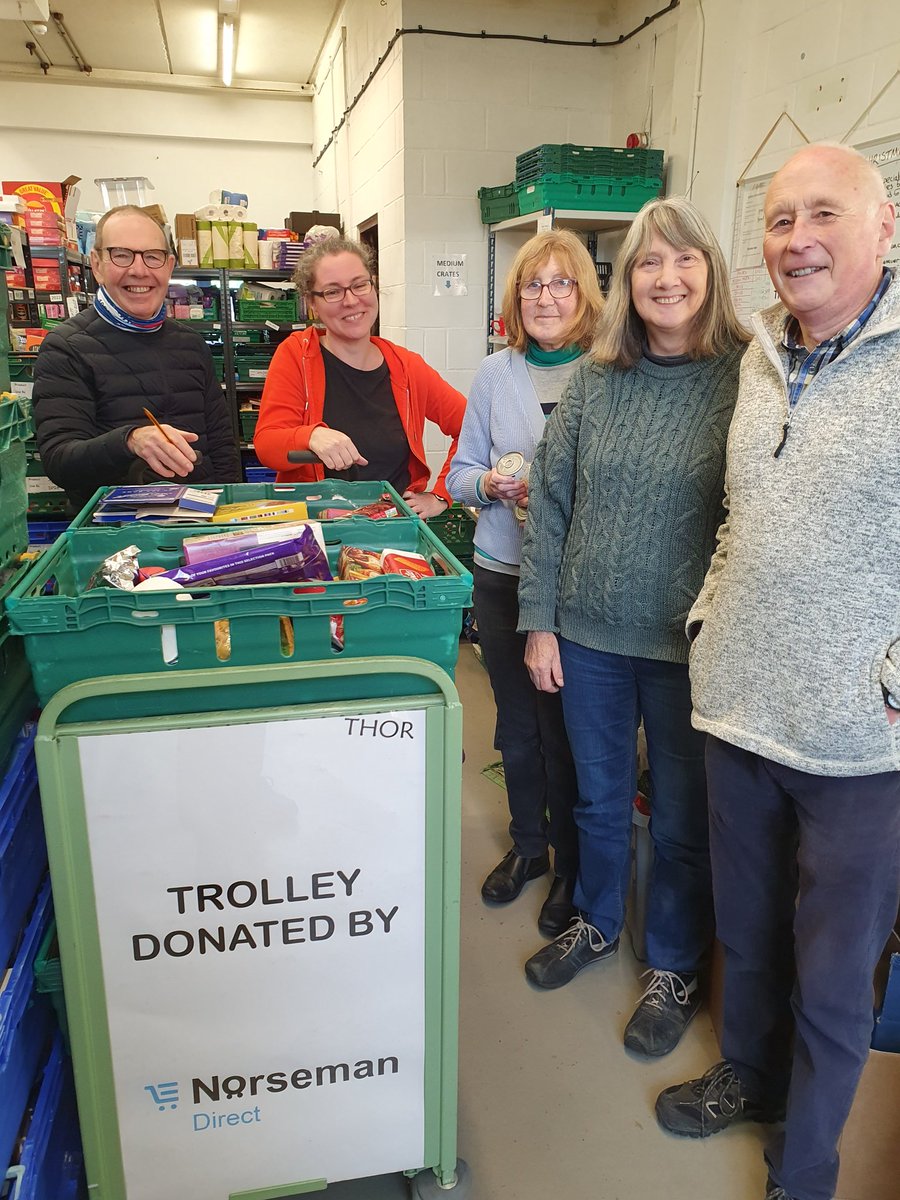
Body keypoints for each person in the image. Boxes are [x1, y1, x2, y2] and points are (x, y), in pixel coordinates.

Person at [655, 144, 900, 1200]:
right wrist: (710, 622)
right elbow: (740, 516)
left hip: (859, 741)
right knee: (747, 933)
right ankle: (747, 1078)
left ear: (884, 225)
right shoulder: (758, 356)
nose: (797, 239)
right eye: (779, 218)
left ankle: (805, 1168)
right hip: (740, 707)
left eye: (824, 214)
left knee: (834, 976)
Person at [517, 198, 749, 1058]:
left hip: (689, 650)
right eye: (649, 261)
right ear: (627, 282)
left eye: (684, 259)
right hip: (588, 638)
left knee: (683, 820)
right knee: (598, 801)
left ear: (710, 272)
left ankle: (675, 966)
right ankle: (597, 920)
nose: (666, 277)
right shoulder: (594, 379)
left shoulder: (746, 381)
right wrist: (539, 622)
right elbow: (550, 504)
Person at [447, 231, 604, 935]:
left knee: (568, 729)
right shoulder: (495, 374)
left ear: (584, 294)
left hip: (578, 586)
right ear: (515, 299)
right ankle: (529, 847)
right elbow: (458, 475)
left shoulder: (608, 370)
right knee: (516, 724)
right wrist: (488, 483)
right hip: (503, 572)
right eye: (532, 285)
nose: (546, 298)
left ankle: (570, 864)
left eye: (561, 283)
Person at [33, 204, 240, 514]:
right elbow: (59, 461)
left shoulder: (191, 344)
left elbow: (222, 445)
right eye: (122, 255)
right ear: (97, 264)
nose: (139, 270)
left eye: (152, 256)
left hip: (199, 520)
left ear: (169, 266)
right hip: (117, 529)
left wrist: (232, 514)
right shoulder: (66, 347)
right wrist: (129, 441)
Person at [254, 236, 465, 517]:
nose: (351, 301)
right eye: (333, 291)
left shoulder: (407, 367)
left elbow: (471, 427)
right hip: (317, 530)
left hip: (393, 530)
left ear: (373, 286)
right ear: (312, 303)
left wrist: (440, 495)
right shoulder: (297, 356)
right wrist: (311, 436)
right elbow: (267, 445)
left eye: (360, 284)